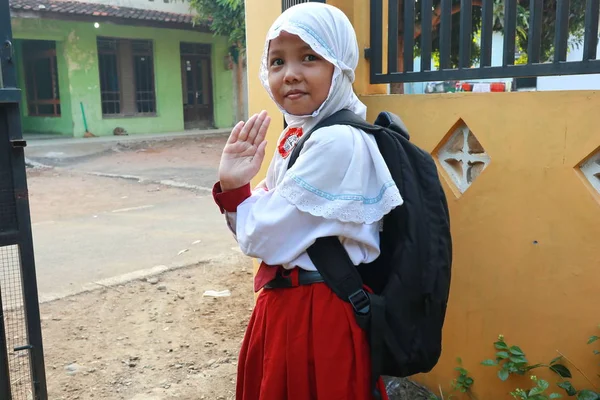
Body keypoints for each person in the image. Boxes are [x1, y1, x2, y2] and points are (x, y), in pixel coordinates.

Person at [212, 3, 403, 399]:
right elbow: (263, 217)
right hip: (294, 310)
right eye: (277, 61)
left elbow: (260, 235)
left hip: (316, 317)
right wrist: (238, 189)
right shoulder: (302, 135)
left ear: (340, 65)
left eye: (310, 57)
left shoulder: (337, 141)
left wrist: (237, 192)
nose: (290, 73)